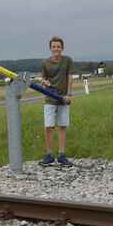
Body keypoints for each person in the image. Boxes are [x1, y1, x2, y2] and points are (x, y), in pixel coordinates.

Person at [39, 36, 73, 166]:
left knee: (62, 126)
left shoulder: (68, 61)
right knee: (48, 127)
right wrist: (44, 82)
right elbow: (43, 80)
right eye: (54, 46)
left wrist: (69, 94)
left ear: (62, 48)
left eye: (58, 46)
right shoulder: (45, 63)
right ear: (50, 48)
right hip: (50, 99)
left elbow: (70, 77)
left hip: (63, 98)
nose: (56, 49)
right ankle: (48, 155)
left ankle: (62, 155)